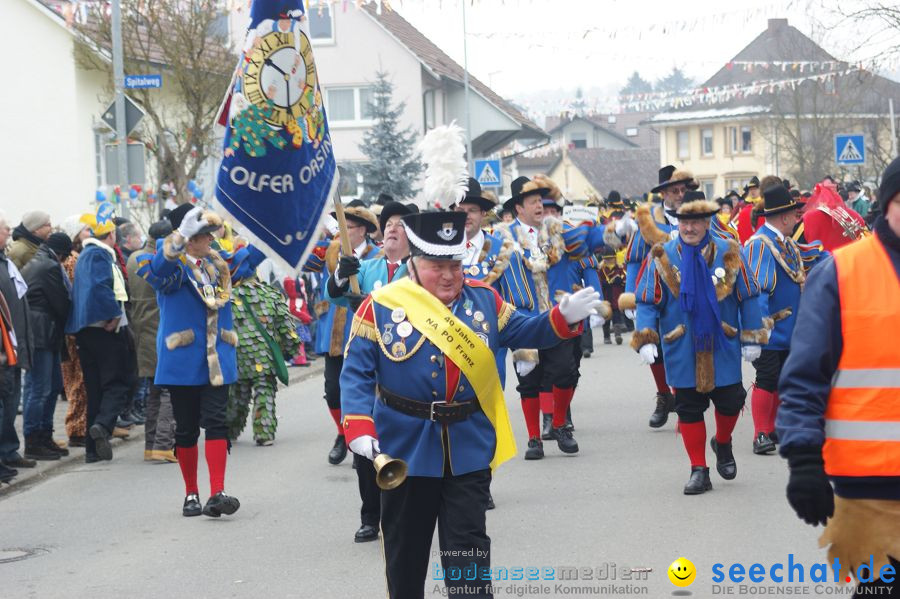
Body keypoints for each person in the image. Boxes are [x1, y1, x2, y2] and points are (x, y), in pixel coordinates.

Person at [340, 210, 602, 598]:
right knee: (405, 557)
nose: (448, 275)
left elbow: (526, 330)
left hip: (468, 447)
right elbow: (357, 372)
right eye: (437, 266)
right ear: (413, 263)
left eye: (455, 265)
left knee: (469, 561)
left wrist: (561, 319)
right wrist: (359, 427)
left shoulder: (483, 299)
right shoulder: (380, 306)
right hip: (405, 448)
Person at [777, 156, 900, 598]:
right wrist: (803, 461)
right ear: (886, 205)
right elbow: (805, 376)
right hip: (868, 483)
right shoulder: (842, 272)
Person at [634, 193, 767, 494]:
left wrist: (752, 336)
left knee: (732, 400)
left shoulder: (730, 251)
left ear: (707, 222)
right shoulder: (662, 255)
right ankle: (699, 469)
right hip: (682, 346)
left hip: (722, 343)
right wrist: (645, 337)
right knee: (688, 408)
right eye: (684, 221)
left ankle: (722, 441)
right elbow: (646, 302)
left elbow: (748, 296)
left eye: (695, 221)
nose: (689, 228)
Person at [139, 204, 264, 517]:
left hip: (217, 359)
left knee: (216, 422)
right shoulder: (167, 261)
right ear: (190, 237)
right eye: (205, 234)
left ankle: (217, 491)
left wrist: (277, 235)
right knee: (186, 430)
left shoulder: (218, 264)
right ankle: (191, 493)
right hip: (183, 359)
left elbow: (252, 259)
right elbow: (160, 271)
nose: (212, 238)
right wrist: (180, 234)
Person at [493, 175, 614, 459]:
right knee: (530, 380)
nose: (539, 206)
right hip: (522, 319)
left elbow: (591, 237)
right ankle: (534, 438)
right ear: (518, 208)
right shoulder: (502, 237)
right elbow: (493, 278)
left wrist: (614, 229)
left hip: (559, 315)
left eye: (541, 201)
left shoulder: (558, 230)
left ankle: (560, 424)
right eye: (533, 201)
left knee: (564, 372)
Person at [326, 199, 413, 544]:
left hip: (404, 366)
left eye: (401, 224)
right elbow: (335, 295)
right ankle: (370, 516)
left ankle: (405, 511)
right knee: (365, 440)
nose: (392, 227)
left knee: (403, 439)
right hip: (365, 366)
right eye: (389, 222)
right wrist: (341, 272)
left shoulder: (420, 271)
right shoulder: (367, 267)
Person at [743, 185, 827, 455]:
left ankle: (776, 428)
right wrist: (758, 331)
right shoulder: (760, 244)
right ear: (784, 217)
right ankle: (760, 434)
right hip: (769, 330)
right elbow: (758, 291)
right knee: (767, 378)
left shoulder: (785, 242)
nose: (798, 218)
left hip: (788, 330)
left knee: (780, 379)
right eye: (794, 213)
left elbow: (812, 255)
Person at [304, 201, 381, 466]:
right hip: (333, 330)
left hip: (365, 330)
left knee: (366, 388)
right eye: (342, 227)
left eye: (350, 227)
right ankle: (342, 433)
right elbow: (304, 262)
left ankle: (367, 433)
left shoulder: (378, 256)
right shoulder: (331, 250)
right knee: (333, 389)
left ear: (364, 230)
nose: (344, 232)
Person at [66, 202, 136, 464]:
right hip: (103, 329)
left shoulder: (87, 254)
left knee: (96, 389)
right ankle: (103, 426)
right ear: (111, 235)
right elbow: (100, 286)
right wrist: (113, 315)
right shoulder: (98, 254)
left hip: (88, 331)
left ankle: (92, 450)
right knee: (119, 382)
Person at [224, 255, 301, 446]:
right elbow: (287, 329)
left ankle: (229, 430)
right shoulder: (272, 294)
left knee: (237, 395)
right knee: (264, 392)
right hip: (264, 357)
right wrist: (289, 351)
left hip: (237, 357)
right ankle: (264, 433)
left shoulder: (228, 298)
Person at [127, 219, 178, 463]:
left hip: (141, 329)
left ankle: (151, 445)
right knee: (169, 390)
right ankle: (164, 444)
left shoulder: (133, 258)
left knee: (154, 392)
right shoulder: (157, 261)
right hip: (160, 329)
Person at [21, 232, 73, 460]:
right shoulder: (50, 266)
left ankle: (43, 436)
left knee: (49, 386)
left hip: (40, 329)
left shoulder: (38, 261)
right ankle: (35, 440)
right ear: (61, 252)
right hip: (43, 330)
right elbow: (61, 302)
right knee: (41, 388)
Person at [0, 210, 35, 479]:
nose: (9, 233)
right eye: (4, 229)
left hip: (13, 343)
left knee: (11, 401)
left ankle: (9, 450)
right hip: (3, 347)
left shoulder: (5, 261)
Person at [60, 215, 91, 448]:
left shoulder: (76, 258)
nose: (89, 233)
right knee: (77, 378)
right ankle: (77, 428)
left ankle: (81, 425)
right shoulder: (73, 261)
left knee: (78, 377)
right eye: (85, 230)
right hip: (74, 329)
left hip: (73, 325)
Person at [735, 176, 763, 243]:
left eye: (755, 189)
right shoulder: (742, 204)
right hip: (746, 237)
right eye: (750, 189)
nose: (752, 191)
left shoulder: (764, 203)